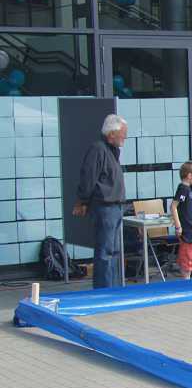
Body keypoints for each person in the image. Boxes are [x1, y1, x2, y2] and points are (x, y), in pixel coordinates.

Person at [73, 113, 128, 289]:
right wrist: (82, 201)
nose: (125, 137)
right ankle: (105, 289)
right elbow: (88, 178)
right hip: (105, 207)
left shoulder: (112, 151)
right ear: (111, 133)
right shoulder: (98, 149)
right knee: (106, 252)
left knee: (114, 251)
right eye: (122, 133)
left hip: (115, 207)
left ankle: (114, 287)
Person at [170, 162, 192, 279]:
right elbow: (174, 206)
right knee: (188, 257)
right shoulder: (183, 189)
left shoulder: (189, 190)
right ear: (189, 176)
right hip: (187, 230)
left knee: (191, 256)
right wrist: (178, 226)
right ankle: (186, 282)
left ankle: (187, 280)